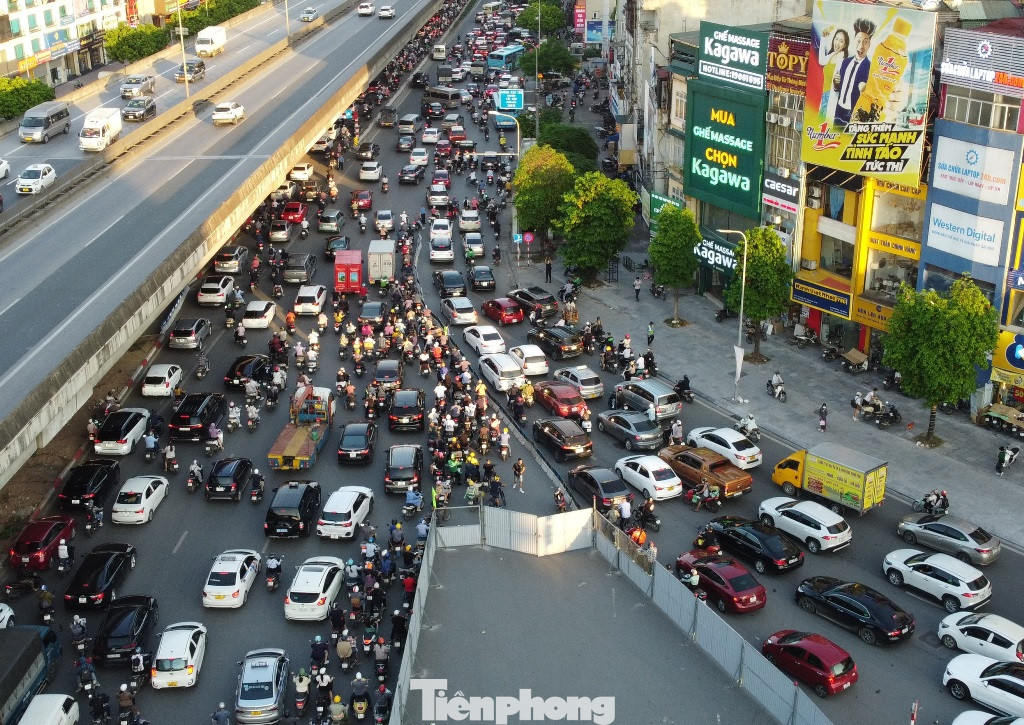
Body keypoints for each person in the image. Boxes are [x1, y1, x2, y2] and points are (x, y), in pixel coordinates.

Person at [832, 17, 876, 127]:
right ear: (854, 41)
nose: (861, 46)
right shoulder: (844, 63)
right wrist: (836, 84)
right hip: (839, 111)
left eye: (865, 42)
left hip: (855, 115)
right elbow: (838, 88)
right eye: (858, 41)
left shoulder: (871, 69)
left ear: (869, 44)